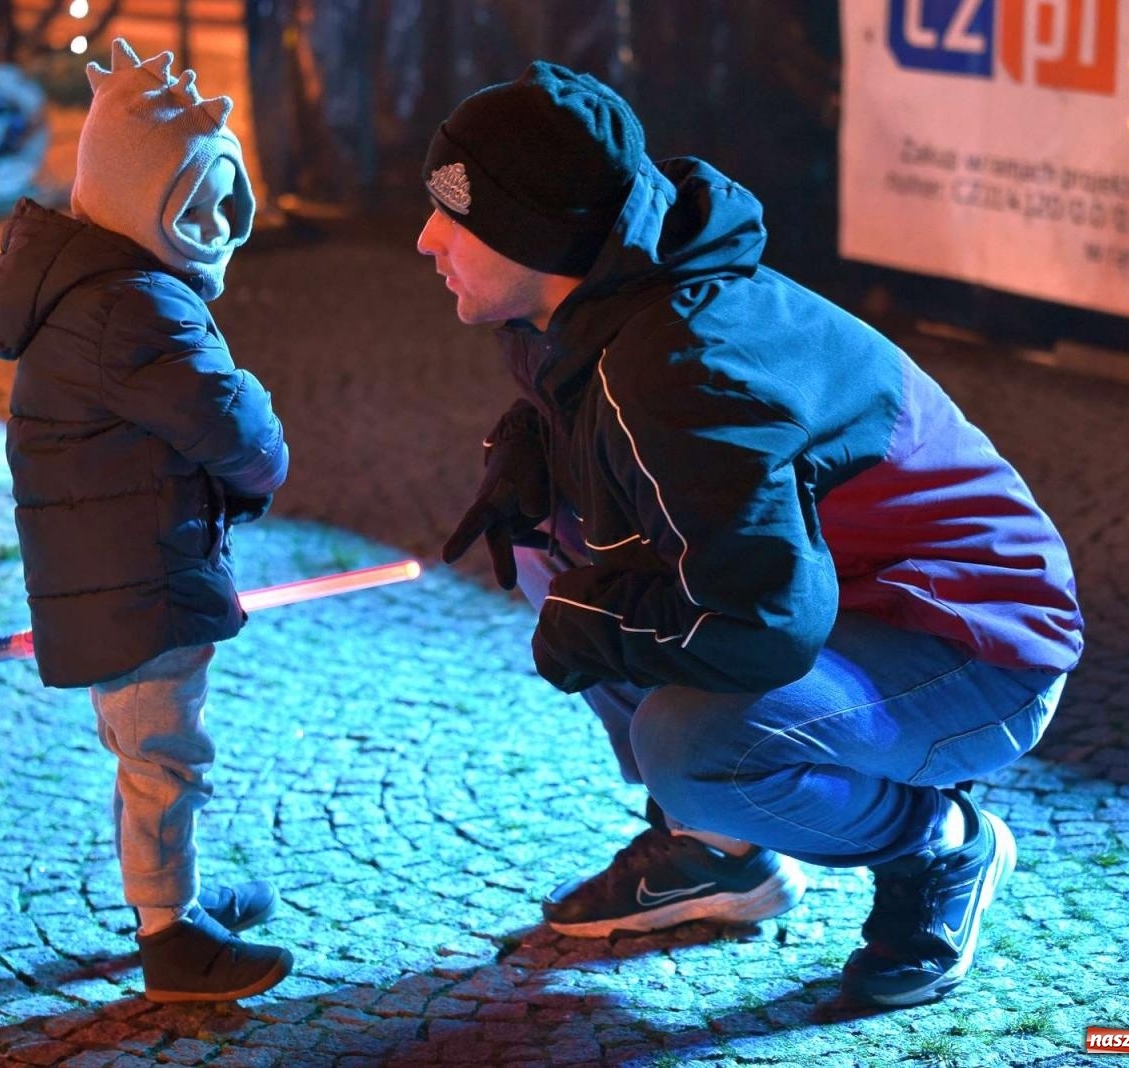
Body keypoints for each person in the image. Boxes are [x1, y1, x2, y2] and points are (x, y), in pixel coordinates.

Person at [418, 61, 1082, 1008]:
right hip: (847, 598)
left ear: (537, 229)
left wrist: (594, 624)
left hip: (979, 651)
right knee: (549, 548)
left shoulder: (679, 364)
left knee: (688, 744)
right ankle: (718, 855)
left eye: (457, 212)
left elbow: (767, 622)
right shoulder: (593, 305)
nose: (426, 237)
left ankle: (942, 846)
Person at [0, 40, 293, 1003]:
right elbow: (235, 426)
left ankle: (174, 899)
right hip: (138, 578)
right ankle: (169, 938)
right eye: (192, 205)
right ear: (132, 201)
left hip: (115, 567)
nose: (214, 225)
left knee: (151, 751)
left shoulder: (93, 287)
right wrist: (264, 435)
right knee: (163, 757)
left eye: (221, 202)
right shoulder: (137, 308)